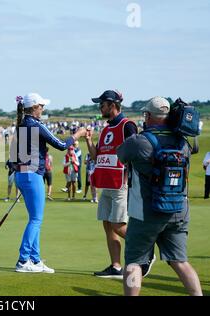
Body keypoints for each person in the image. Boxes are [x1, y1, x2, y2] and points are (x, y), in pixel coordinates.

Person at [117, 96, 202, 296]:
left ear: (148, 116)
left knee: (134, 263)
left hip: (145, 213)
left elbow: (121, 155)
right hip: (179, 211)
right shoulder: (183, 141)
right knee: (180, 261)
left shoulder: (139, 141)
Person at [11, 93, 87, 273]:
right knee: (36, 220)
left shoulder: (21, 125)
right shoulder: (35, 125)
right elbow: (61, 144)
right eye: (41, 106)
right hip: (32, 175)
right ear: (34, 107)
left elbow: (14, 155)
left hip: (22, 175)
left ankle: (35, 260)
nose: (43, 109)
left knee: (34, 219)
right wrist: (77, 135)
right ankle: (23, 260)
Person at [85, 90, 153, 279]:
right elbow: (96, 156)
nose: (100, 107)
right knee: (107, 225)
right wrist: (89, 140)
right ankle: (115, 266)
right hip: (106, 183)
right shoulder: (106, 128)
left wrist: (126, 180)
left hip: (120, 183)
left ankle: (146, 250)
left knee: (117, 224)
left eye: (102, 104)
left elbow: (136, 152)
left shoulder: (127, 125)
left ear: (112, 105)